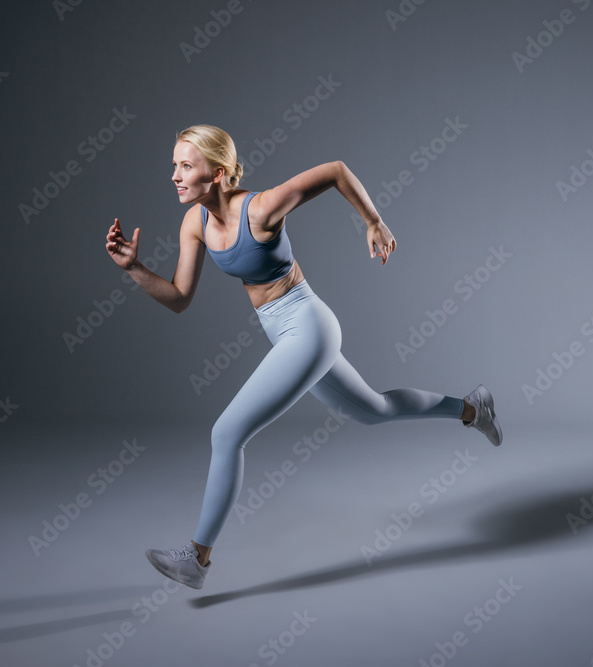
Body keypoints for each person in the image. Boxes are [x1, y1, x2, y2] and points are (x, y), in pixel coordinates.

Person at [105, 124, 501, 590]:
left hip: (309, 327)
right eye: (174, 165)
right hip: (286, 335)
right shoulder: (195, 222)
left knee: (227, 433)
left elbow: (335, 171)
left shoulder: (262, 207)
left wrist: (373, 220)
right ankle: (473, 408)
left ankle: (197, 557)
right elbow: (178, 298)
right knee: (375, 410)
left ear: (217, 173)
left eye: (185, 166)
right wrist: (134, 268)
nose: (174, 174)